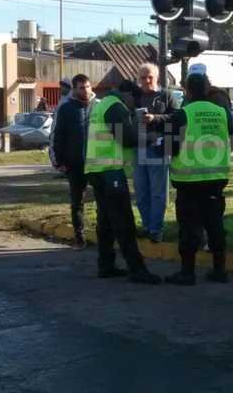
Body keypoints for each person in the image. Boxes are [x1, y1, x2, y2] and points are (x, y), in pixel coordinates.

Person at [164, 64, 233, 285]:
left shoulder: (182, 114)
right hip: (217, 179)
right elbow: (232, 140)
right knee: (215, 225)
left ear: (187, 91)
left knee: (188, 228)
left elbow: (169, 147)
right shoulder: (222, 112)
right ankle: (219, 270)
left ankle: (187, 273)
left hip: (189, 181)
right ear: (207, 88)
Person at [84, 79, 161, 284]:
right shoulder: (115, 107)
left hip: (97, 169)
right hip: (110, 171)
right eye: (134, 101)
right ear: (127, 95)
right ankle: (137, 269)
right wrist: (150, 138)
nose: (134, 106)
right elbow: (126, 139)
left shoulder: (102, 104)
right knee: (124, 222)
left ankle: (106, 265)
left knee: (106, 222)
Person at [134, 62, 180, 243]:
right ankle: (147, 226)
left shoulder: (166, 95)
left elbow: (177, 117)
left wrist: (155, 118)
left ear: (157, 77)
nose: (147, 81)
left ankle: (155, 229)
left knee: (158, 192)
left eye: (150, 77)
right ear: (138, 79)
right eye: (143, 77)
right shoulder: (136, 96)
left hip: (159, 148)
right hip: (139, 148)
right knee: (141, 192)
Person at [52, 74, 94, 249]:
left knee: (103, 200)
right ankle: (79, 237)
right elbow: (58, 136)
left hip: (97, 163)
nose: (85, 90)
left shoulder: (98, 106)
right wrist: (59, 161)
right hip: (74, 163)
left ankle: (104, 234)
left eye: (88, 87)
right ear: (74, 90)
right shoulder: (66, 109)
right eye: (81, 88)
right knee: (77, 201)